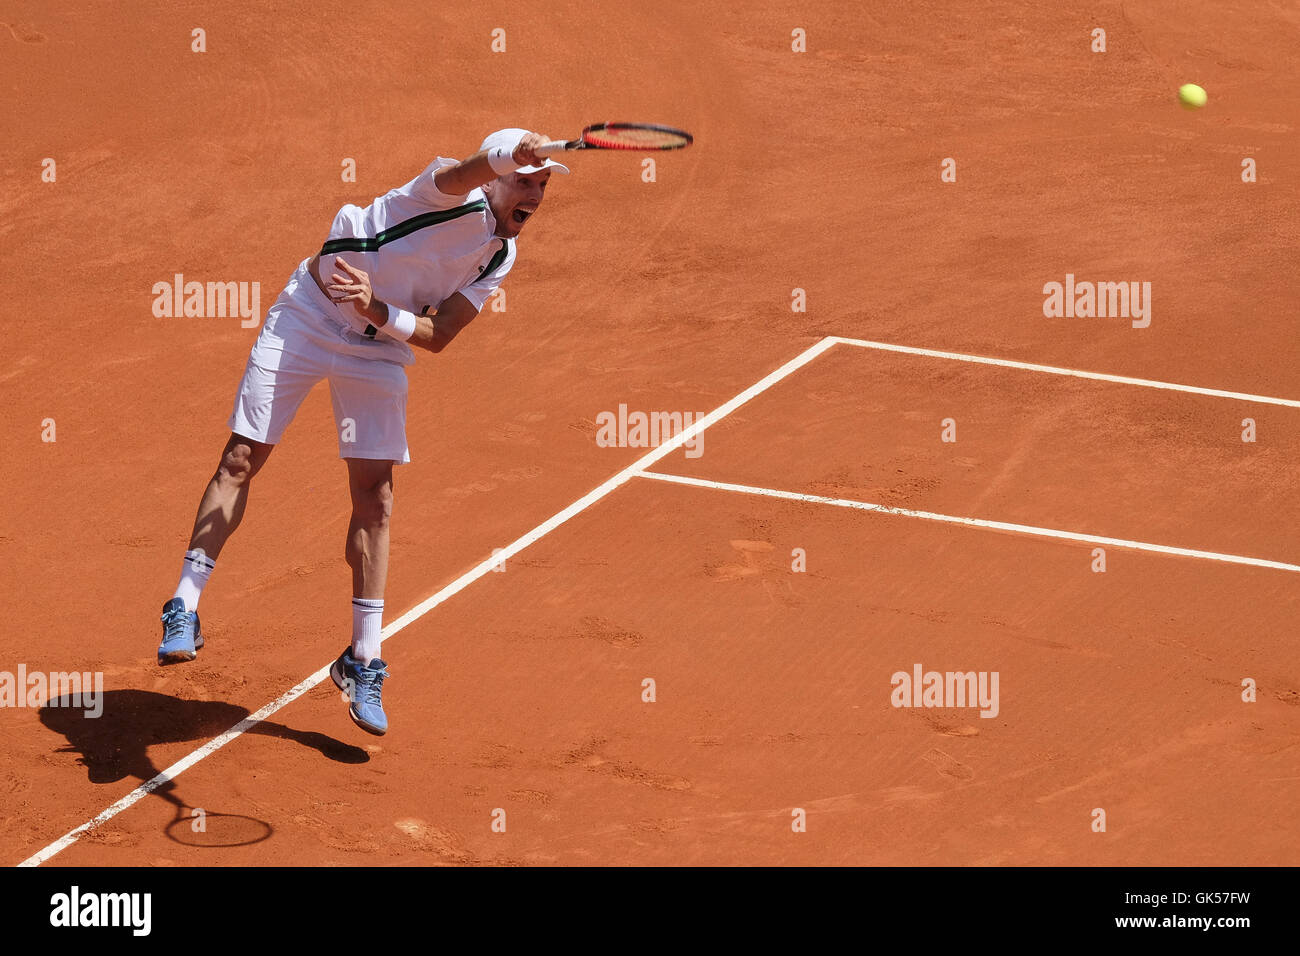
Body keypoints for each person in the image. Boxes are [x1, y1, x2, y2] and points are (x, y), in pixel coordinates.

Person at [156, 129, 568, 736]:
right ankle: (184, 603)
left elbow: (441, 336)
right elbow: (464, 170)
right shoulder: (438, 196)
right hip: (309, 317)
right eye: (525, 181)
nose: (534, 195)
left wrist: (378, 311)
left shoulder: (499, 256)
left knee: (374, 497)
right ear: (496, 178)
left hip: (378, 346)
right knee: (242, 457)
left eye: (543, 186)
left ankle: (364, 660)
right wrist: (510, 153)